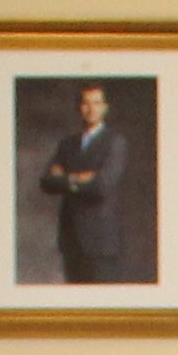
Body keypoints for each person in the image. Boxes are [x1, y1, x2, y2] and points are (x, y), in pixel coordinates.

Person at [41, 81, 135, 282]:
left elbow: (101, 185)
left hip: (100, 241)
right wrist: (78, 178)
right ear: (79, 108)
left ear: (105, 107)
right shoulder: (68, 144)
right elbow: (47, 182)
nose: (91, 108)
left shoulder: (115, 142)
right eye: (86, 103)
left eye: (96, 103)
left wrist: (65, 178)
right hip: (71, 238)